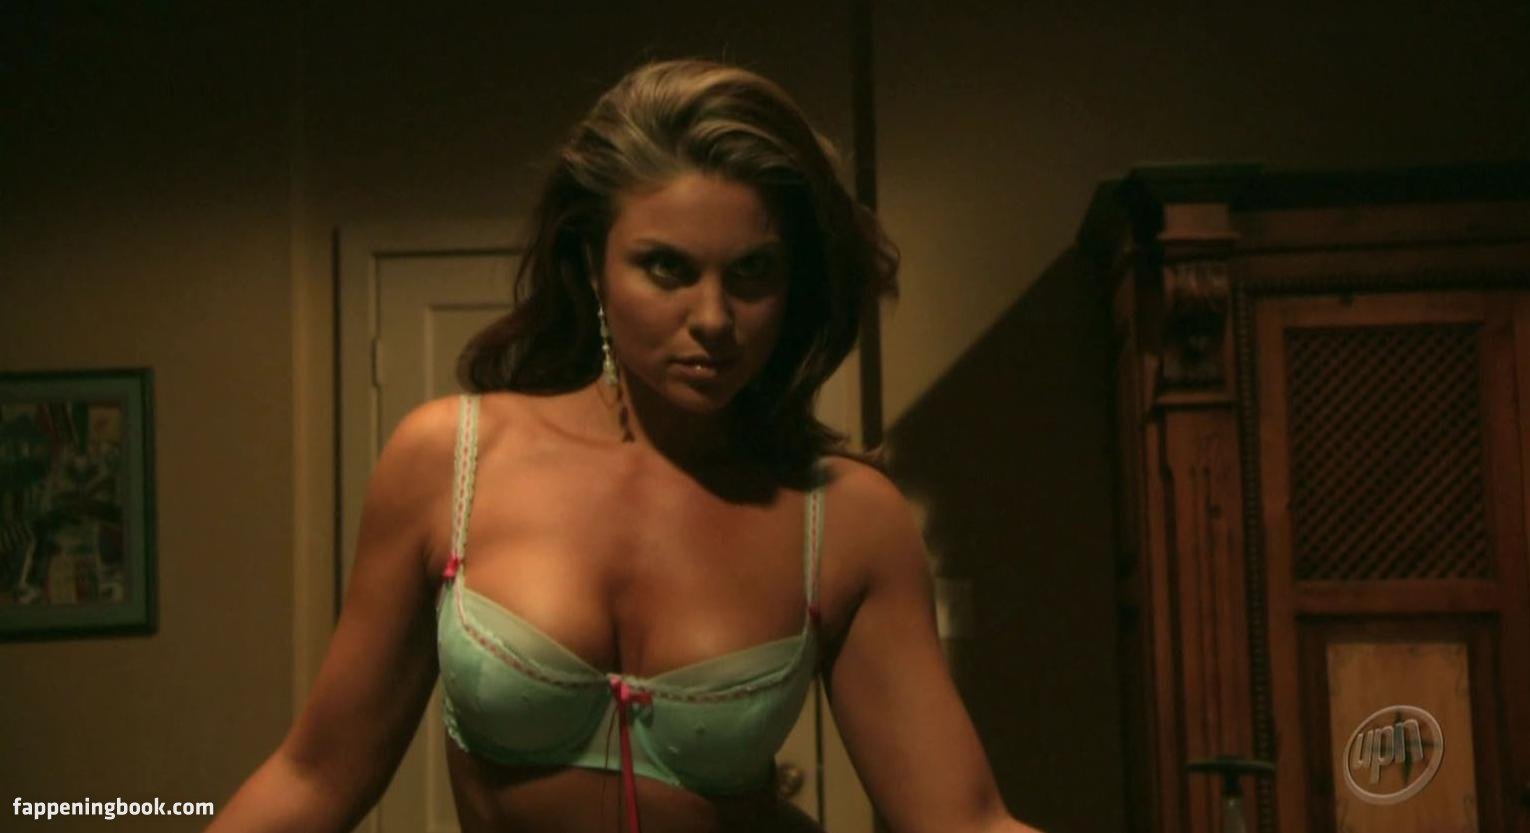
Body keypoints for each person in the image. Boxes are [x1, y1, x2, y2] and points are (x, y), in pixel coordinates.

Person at [211, 59, 1041, 833]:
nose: (713, 318)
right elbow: (317, 775)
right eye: (667, 268)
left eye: (752, 273)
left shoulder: (847, 518)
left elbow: (965, 821)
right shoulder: (451, 461)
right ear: (592, 263)